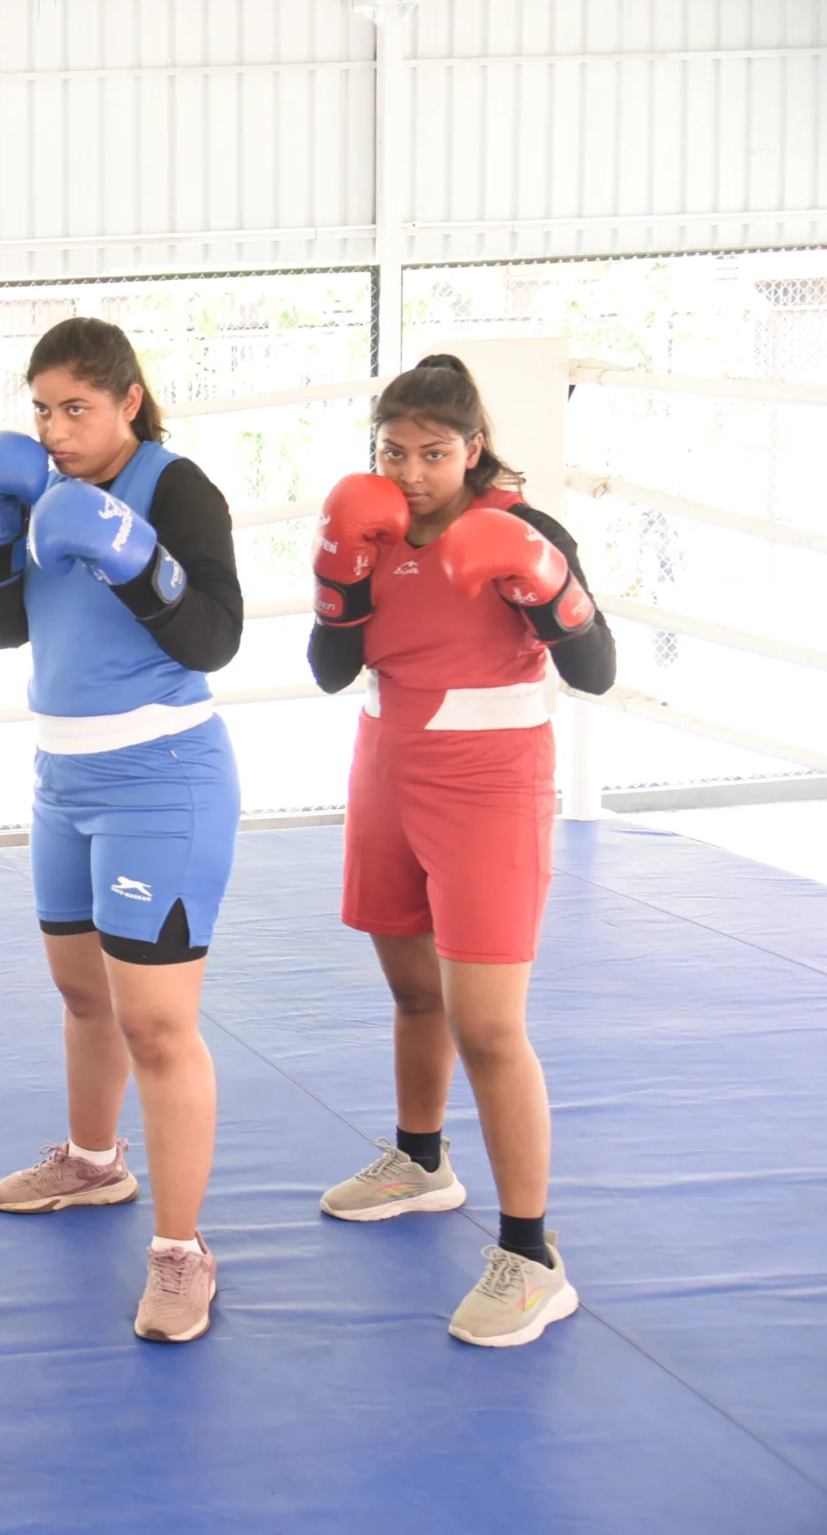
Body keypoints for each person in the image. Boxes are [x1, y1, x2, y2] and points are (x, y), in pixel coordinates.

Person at [307, 352, 615, 1347]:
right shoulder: (370, 525)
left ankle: (532, 1254)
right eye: (391, 450)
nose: (407, 471)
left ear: (472, 448)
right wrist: (337, 579)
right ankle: (420, 1160)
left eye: (432, 452)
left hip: (491, 783)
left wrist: (544, 580)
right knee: (411, 993)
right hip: (387, 764)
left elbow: (598, 670)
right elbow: (327, 671)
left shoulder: (525, 531)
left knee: (487, 1025)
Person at [0, 316, 244, 1345]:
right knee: (83, 995)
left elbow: (214, 635)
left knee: (158, 1027)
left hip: (160, 777)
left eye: (75, 408)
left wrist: (133, 556)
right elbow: (7, 629)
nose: (53, 429)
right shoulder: (34, 483)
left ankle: (181, 1255)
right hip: (61, 775)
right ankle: (92, 1165)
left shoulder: (175, 488)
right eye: (40, 409)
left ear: (128, 401)